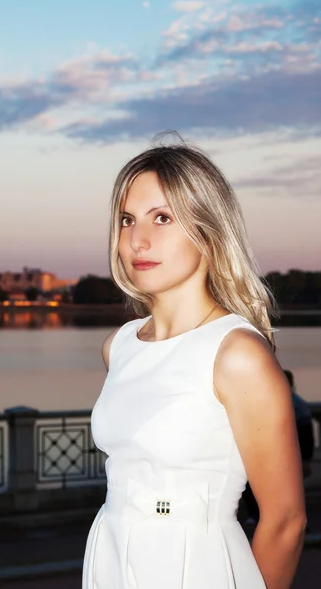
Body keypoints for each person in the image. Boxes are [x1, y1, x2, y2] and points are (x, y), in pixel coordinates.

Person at [82, 135, 306, 589]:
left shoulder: (236, 354)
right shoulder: (119, 345)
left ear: (207, 230)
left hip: (196, 566)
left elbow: (285, 522)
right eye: (127, 220)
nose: (138, 240)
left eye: (162, 217)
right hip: (110, 554)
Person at [242, 369, 314, 528]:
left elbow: (306, 434)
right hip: (270, 456)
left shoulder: (297, 404)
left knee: (286, 494)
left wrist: (306, 460)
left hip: (289, 457)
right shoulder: (269, 402)